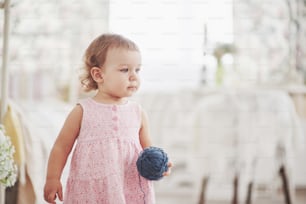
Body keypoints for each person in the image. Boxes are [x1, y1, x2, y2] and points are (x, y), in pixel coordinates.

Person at [43, 33, 171, 204]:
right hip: (91, 189)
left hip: (129, 186)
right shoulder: (82, 111)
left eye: (137, 70)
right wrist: (53, 178)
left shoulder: (137, 112)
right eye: (125, 70)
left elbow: (149, 152)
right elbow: (61, 147)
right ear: (98, 75)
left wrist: (160, 165)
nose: (134, 76)